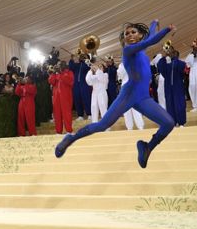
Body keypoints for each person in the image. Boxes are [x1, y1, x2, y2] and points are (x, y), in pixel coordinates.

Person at [55, 20, 175, 169]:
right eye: (127, 33)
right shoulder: (128, 51)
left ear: (140, 35)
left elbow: (149, 37)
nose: (130, 35)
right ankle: (71, 138)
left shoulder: (142, 50)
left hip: (143, 97)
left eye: (133, 32)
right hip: (129, 94)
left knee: (169, 123)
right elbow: (150, 40)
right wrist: (166, 29)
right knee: (102, 125)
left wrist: (154, 23)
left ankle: (147, 147)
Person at [157, 45, 187, 127]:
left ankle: (181, 122)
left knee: (179, 104)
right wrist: (165, 58)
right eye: (167, 50)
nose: (169, 52)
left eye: (170, 51)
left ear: (174, 52)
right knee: (170, 104)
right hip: (168, 86)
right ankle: (173, 122)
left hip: (178, 86)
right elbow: (160, 69)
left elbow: (182, 69)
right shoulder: (165, 62)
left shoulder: (180, 63)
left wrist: (173, 60)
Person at [48, 61, 74, 134]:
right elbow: (51, 81)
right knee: (57, 114)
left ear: (64, 65)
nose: (58, 66)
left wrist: (61, 73)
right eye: (58, 65)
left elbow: (70, 82)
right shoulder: (56, 73)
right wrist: (53, 73)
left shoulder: (69, 72)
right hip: (56, 97)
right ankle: (58, 131)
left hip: (66, 96)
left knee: (67, 113)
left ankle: (69, 131)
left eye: (60, 65)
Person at [117, 62, 144, 130]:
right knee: (126, 110)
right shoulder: (121, 65)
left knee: (136, 108)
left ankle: (140, 126)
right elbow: (120, 76)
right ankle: (129, 127)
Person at [68, 54, 91, 121]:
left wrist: (86, 60)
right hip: (76, 85)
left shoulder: (86, 64)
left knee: (86, 99)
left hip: (84, 84)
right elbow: (70, 67)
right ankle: (80, 115)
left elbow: (89, 66)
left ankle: (89, 114)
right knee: (77, 99)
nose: (81, 58)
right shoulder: (76, 65)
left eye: (83, 57)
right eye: (81, 57)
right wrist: (72, 59)